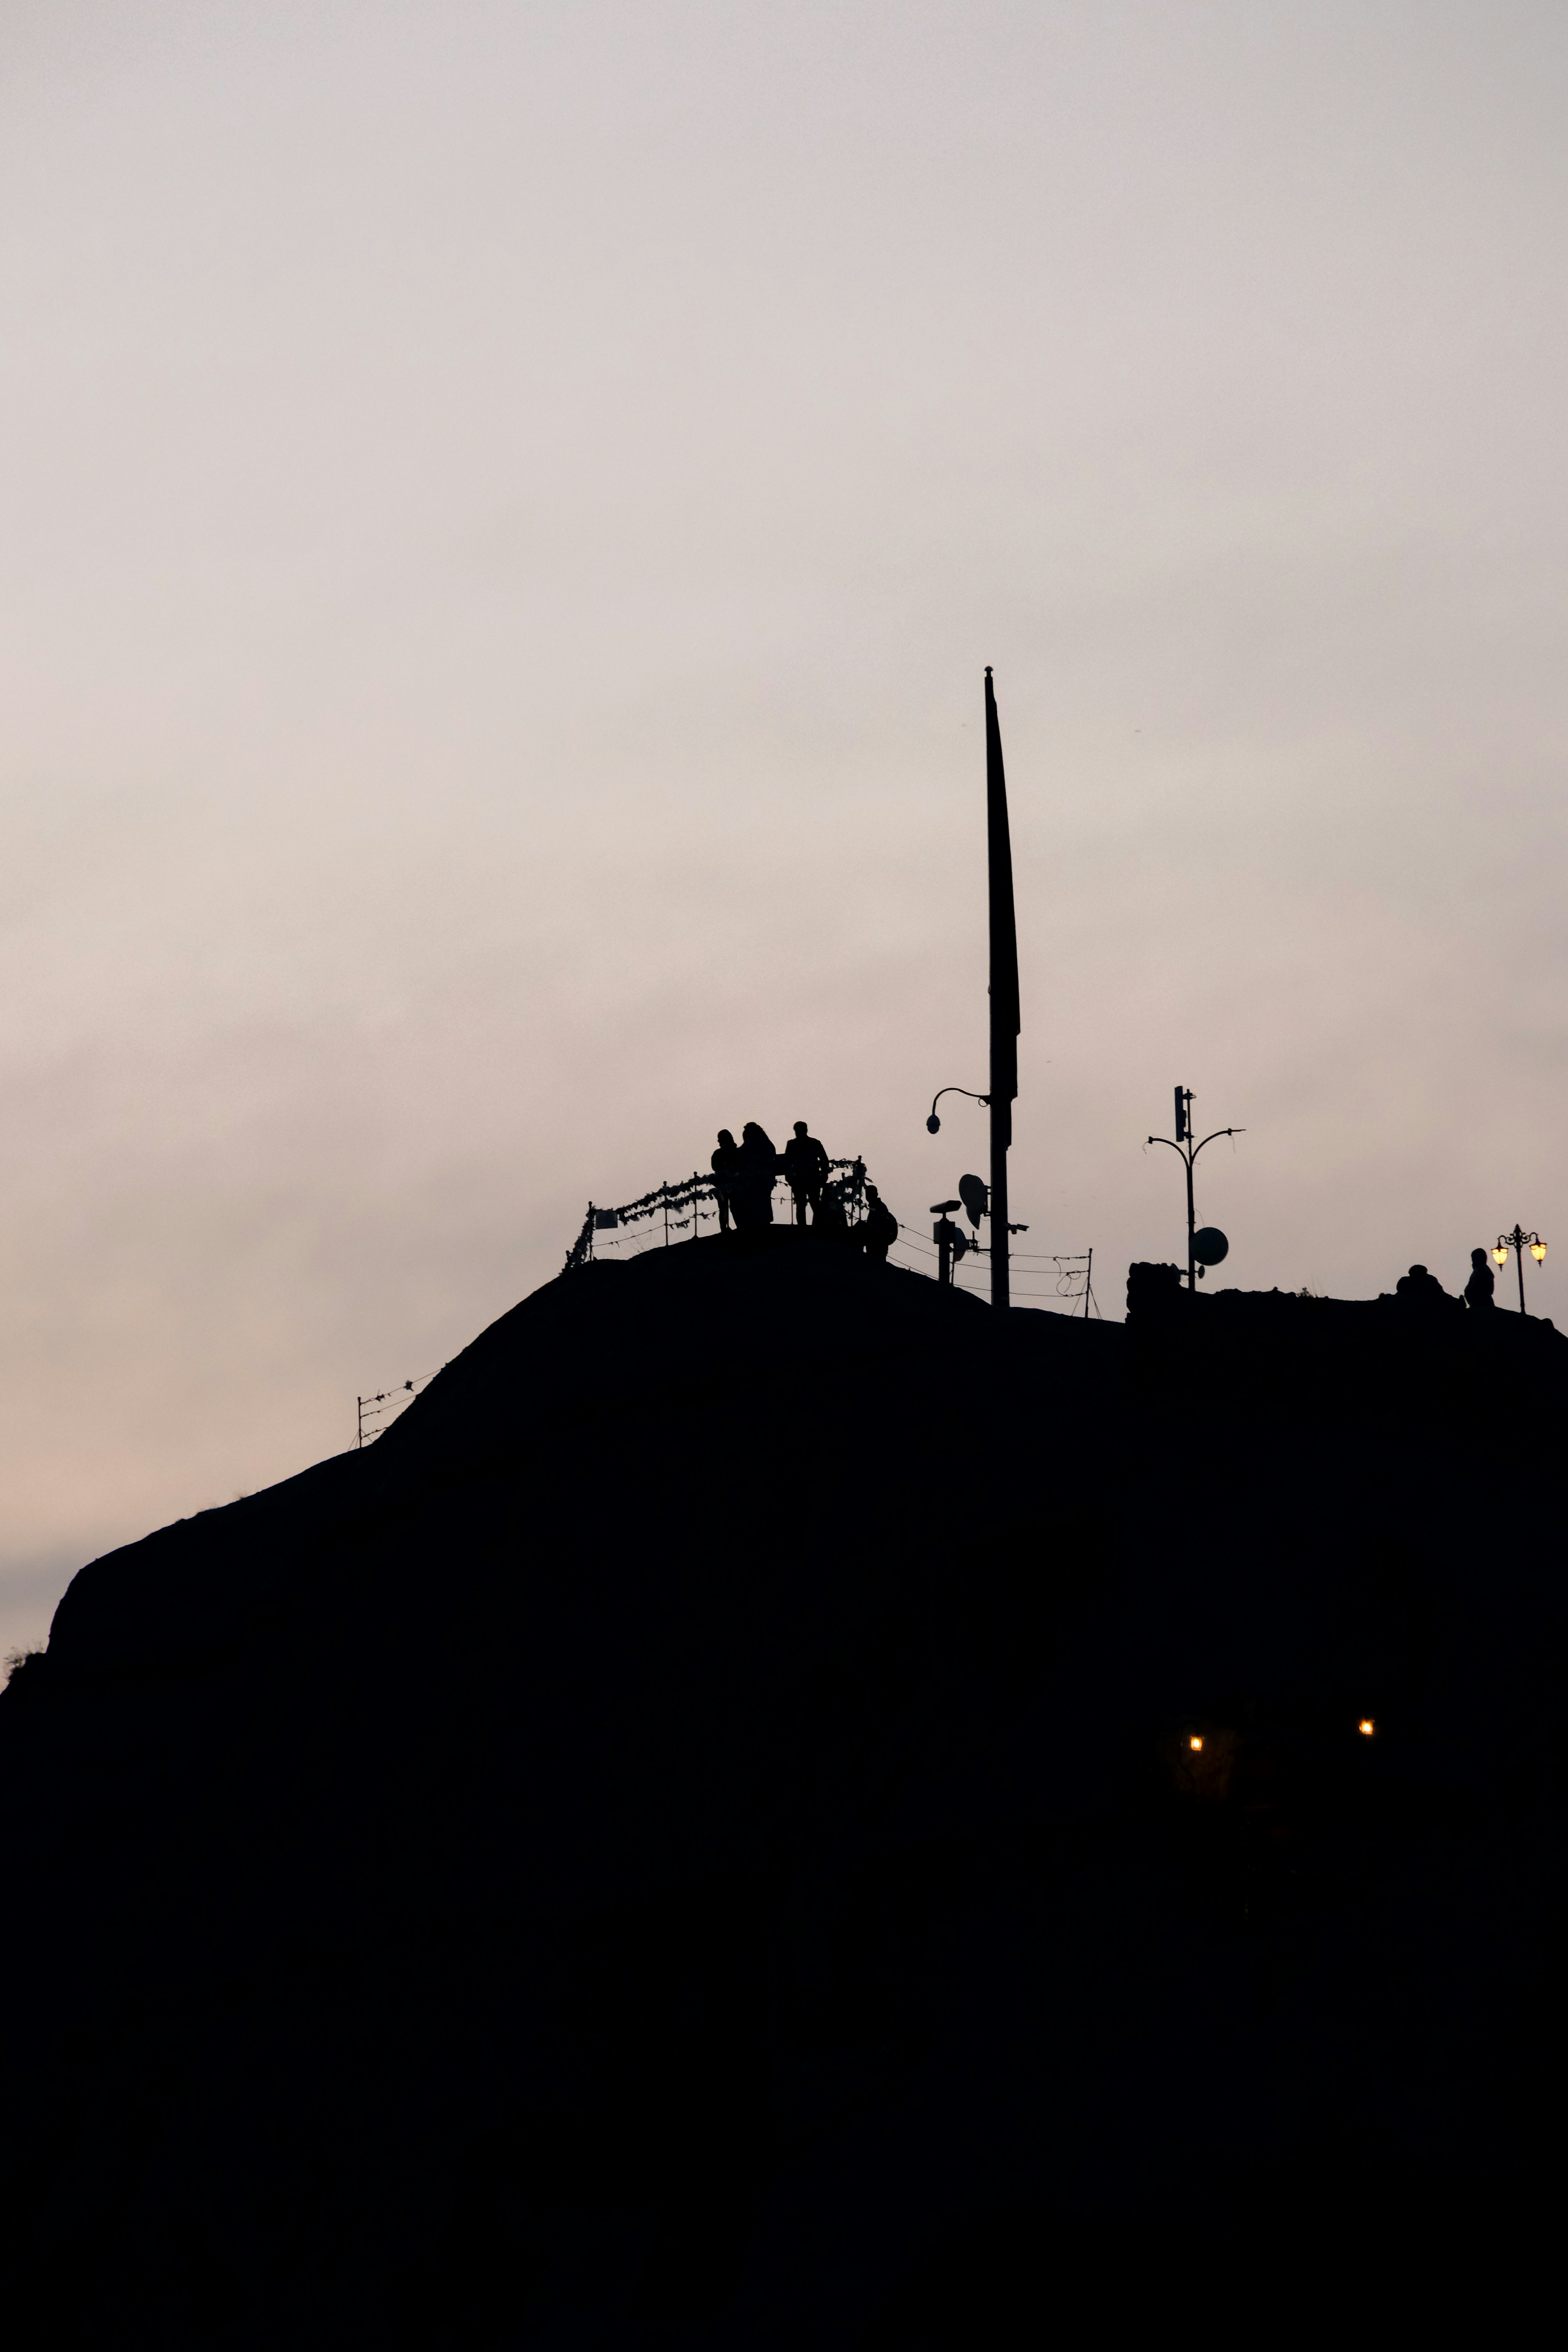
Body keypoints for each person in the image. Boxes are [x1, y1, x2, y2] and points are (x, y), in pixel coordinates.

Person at [783, 1122, 830, 1226]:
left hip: (806, 1180)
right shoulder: (814, 1143)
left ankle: (806, 1227)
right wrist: (824, 1177)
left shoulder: (793, 1144)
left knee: (806, 1205)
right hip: (808, 1179)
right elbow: (825, 1161)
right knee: (809, 1204)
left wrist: (789, 1178)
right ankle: (812, 1227)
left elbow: (787, 1163)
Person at [734, 1122, 778, 1233]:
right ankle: (764, 1220)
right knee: (764, 1200)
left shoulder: (752, 1143)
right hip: (766, 1179)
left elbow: (741, 1154)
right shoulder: (767, 1143)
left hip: (754, 1180)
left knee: (755, 1201)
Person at [710, 1129, 740, 1234]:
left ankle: (724, 1229)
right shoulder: (737, 1152)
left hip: (723, 1184)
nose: (718, 1142)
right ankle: (740, 1227)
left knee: (723, 1208)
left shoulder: (718, 1153)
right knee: (736, 1207)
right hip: (737, 1184)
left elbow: (715, 1167)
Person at [860, 1184, 898, 1263]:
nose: (868, 1196)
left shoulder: (880, 1207)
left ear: (876, 1195)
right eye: (867, 1194)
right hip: (877, 1243)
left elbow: (880, 1226)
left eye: (870, 1194)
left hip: (878, 1243)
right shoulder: (876, 1207)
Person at [1464, 1246, 1496, 1311]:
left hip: (1481, 1304)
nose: (1472, 1264)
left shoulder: (1481, 1271)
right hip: (1480, 1303)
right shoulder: (1484, 1270)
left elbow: (1476, 1287)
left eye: (1474, 1260)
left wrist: (1468, 1291)